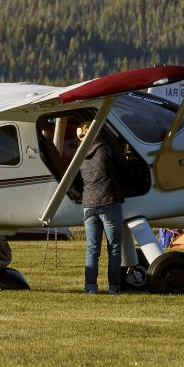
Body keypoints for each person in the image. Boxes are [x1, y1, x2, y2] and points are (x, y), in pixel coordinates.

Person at [77, 120, 124, 295]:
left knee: (92, 249)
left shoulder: (80, 154)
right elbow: (122, 170)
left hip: (88, 205)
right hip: (109, 203)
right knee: (113, 248)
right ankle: (113, 288)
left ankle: (91, 287)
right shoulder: (106, 149)